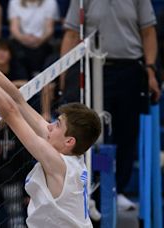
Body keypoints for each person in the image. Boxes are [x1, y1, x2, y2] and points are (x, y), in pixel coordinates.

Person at [0, 20, 100, 227]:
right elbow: (18, 100)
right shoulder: (67, 154)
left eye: (58, 125)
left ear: (69, 141)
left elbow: (10, 113)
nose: (50, 125)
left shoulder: (59, 163)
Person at [60, 0, 161, 210]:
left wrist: (150, 69)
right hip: (94, 69)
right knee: (98, 136)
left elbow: (149, 32)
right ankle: (98, 189)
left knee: (127, 133)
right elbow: (71, 34)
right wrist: (63, 73)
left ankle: (119, 189)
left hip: (130, 69)